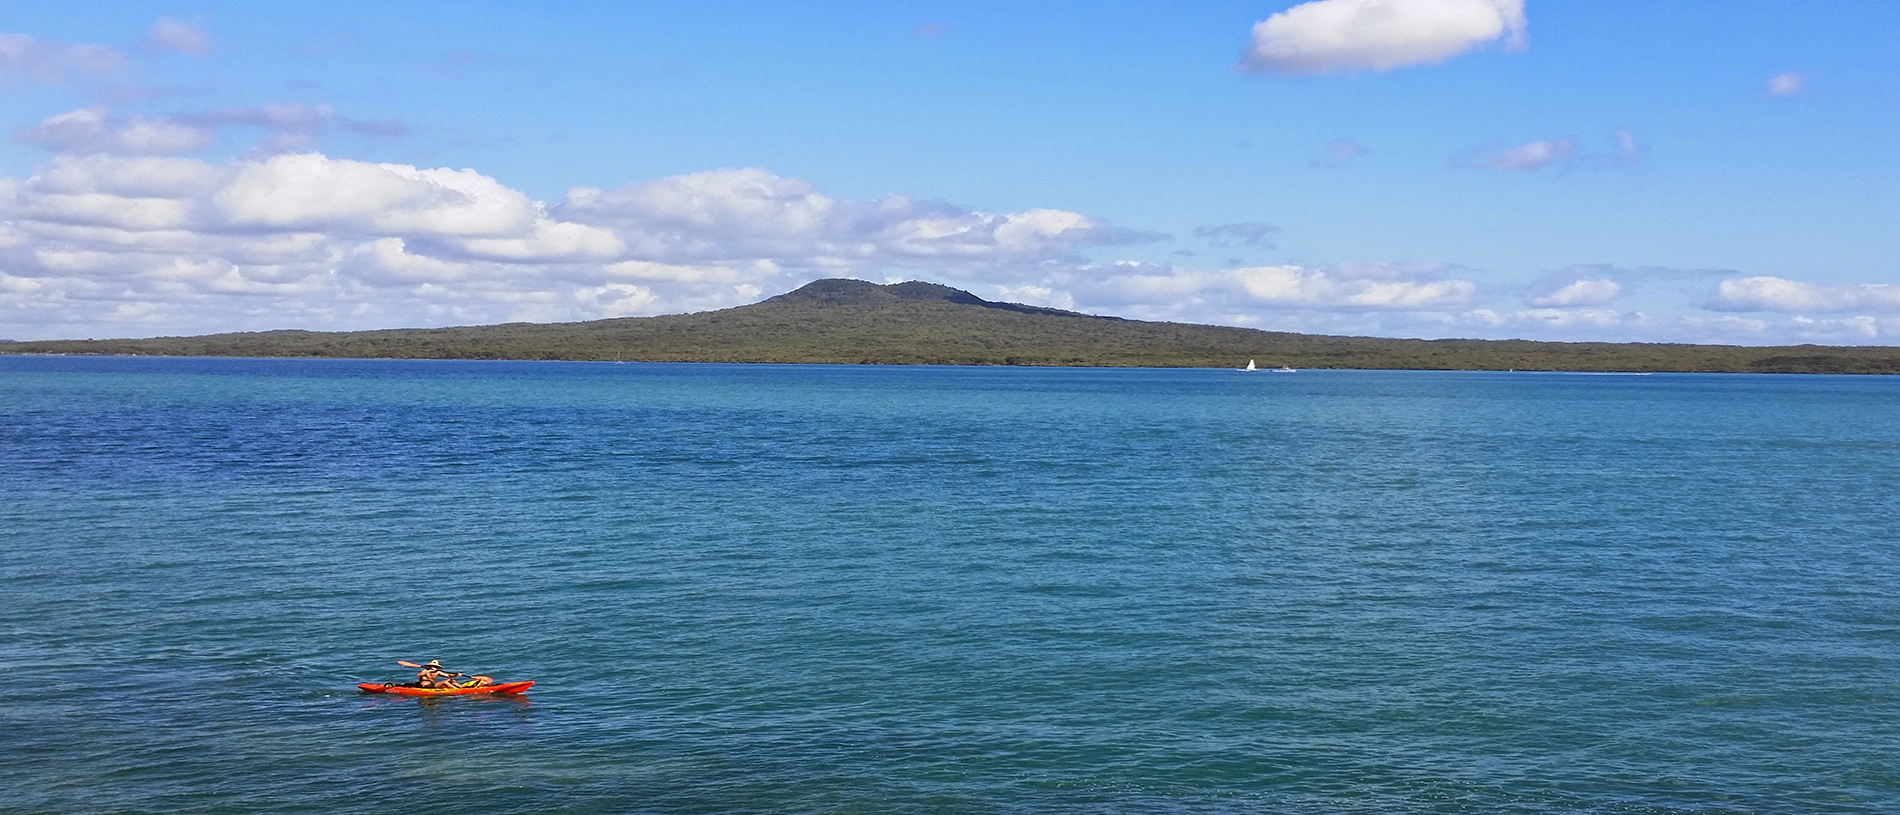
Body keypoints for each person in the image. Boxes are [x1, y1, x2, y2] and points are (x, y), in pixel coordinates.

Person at [413, 660, 493, 688]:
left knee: (450, 680)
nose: (435, 668)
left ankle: (460, 687)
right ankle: (457, 691)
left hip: (432, 685)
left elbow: (448, 675)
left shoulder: (437, 672)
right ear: (430, 666)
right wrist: (429, 670)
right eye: (433, 666)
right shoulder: (424, 671)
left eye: (435, 667)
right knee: (445, 682)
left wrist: (456, 675)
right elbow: (418, 675)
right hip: (425, 685)